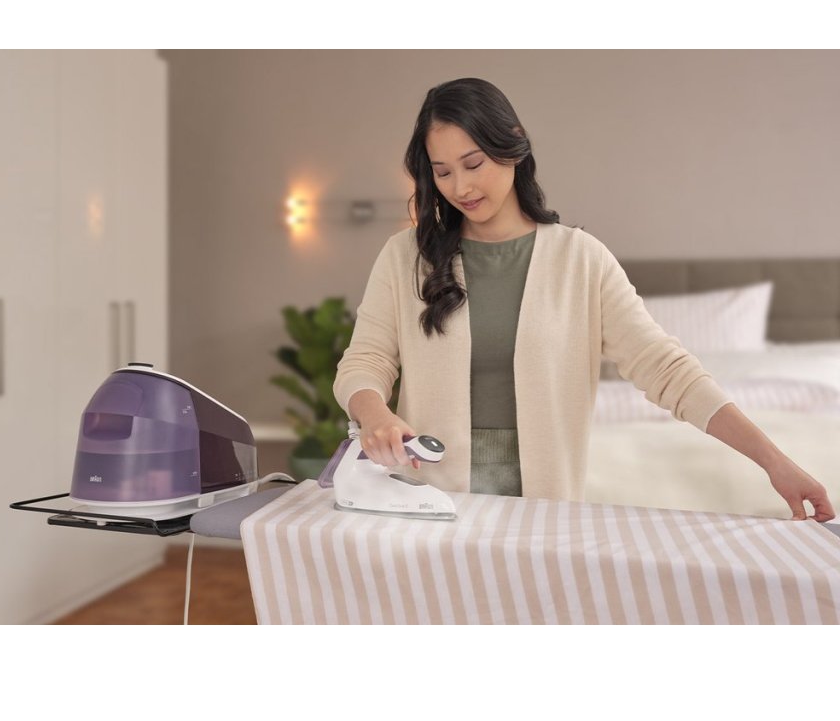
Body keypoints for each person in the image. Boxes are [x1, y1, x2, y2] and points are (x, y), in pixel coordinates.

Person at [333, 77, 835, 522]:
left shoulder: (581, 259)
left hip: (545, 508)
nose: (460, 186)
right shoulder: (406, 256)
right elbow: (365, 360)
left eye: (473, 163)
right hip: (428, 502)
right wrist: (375, 415)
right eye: (442, 172)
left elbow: (668, 370)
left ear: (512, 146)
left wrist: (775, 462)